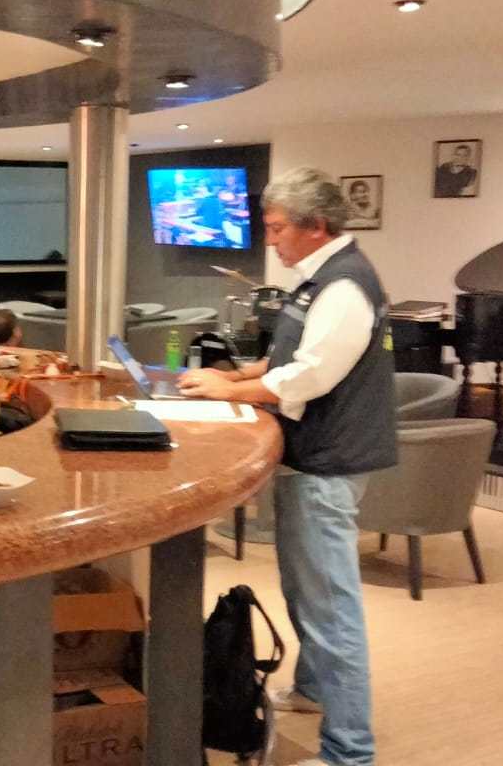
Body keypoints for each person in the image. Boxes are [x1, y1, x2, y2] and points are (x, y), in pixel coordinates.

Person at [178, 167, 396, 766]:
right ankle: (312, 689)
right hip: (309, 456)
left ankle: (350, 753)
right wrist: (236, 376)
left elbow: (313, 375)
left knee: (331, 611)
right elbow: (289, 356)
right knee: (305, 593)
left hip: (328, 463)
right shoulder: (316, 281)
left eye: (276, 229)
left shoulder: (345, 287)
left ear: (315, 225)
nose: (270, 240)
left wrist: (230, 392)